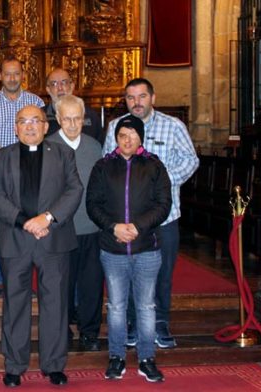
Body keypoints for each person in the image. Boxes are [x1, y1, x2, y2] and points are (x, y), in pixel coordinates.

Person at [0, 105, 82, 387]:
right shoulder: (0, 157)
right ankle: (14, 365)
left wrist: (47, 218)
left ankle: (54, 364)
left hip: (53, 239)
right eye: (23, 122)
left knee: (55, 303)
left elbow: (74, 190)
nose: (29, 126)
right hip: (16, 239)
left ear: (45, 126)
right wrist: (23, 221)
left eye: (35, 121)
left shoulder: (64, 154)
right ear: (15, 127)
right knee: (15, 304)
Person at [102, 78, 199, 349]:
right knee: (130, 270)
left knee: (163, 271)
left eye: (142, 96)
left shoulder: (173, 126)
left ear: (152, 98)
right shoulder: (115, 127)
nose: (137, 102)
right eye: (131, 98)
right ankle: (132, 322)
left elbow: (191, 160)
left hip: (165, 215)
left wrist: (162, 184)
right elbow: (107, 164)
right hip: (128, 217)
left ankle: (160, 322)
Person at [87, 115, 172, 383]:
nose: (127, 140)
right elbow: (93, 204)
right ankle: (117, 357)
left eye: (132, 135)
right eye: (122, 135)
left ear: (140, 138)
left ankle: (147, 358)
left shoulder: (154, 166)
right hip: (113, 249)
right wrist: (114, 227)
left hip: (146, 247)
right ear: (116, 138)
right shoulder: (103, 166)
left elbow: (163, 204)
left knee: (146, 306)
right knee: (116, 306)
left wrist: (137, 226)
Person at [0, 57, 44, 297]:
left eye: (16, 74)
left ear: (22, 74)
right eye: (8, 74)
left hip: (30, 168)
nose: (12, 78)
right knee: (1, 224)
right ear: (0, 76)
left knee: (29, 221)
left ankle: (28, 281)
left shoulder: (35, 101)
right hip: (0, 170)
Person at [46, 94, 104, 352]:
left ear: (84, 119)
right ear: (58, 119)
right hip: (61, 230)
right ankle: (63, 331)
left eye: (77, 119)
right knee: (62, 286)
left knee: (92, 283)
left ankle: (90, 332)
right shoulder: (47, 147)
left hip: (92, 228)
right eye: (66, 119)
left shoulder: (95, 147)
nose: (71, 124)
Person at [44, 68, 103, 143]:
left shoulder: (90, 115)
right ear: (48, 90)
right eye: (54, 84)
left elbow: (98, 146)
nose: (60, 88)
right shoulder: (41, 117)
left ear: (72, 86)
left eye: (64, 82)